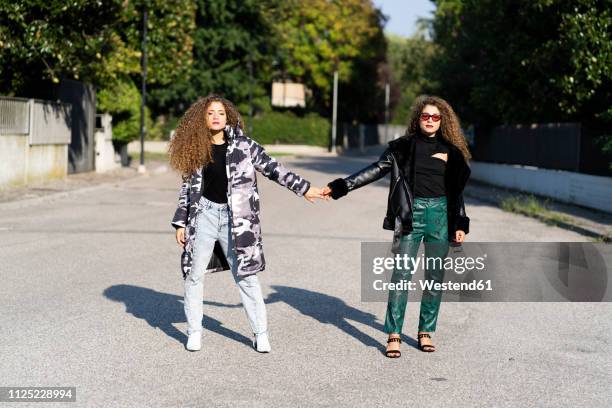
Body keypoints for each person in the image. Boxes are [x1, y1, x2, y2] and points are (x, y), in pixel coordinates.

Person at [169, 95, 325, 352]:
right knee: (194, 276)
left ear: (228, 116)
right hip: (203, 217)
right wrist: (180, 223)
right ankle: (194, 332)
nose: (216, 116)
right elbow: (187, 188)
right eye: (210, 113)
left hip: (237, 220)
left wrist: (305, 189)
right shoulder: (195, 148)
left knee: (247, 277)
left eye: (221, 112)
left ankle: (260, 333)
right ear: (202, 118)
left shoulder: (244, 145)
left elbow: (274, 168)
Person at [322, 95, 471, 358]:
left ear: (442, 121)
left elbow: (456, 192)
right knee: (402, 275)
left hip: (440, 216)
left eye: (435, 117)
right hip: (411, 216)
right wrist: (342, 186)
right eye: (425, 116)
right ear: (418, 119)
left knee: (435, 277)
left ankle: (426, 331)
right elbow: (375, 169)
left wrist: (460, 222)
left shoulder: (452, 152)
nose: (430, 121)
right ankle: (394, 334)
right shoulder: (402, 148)